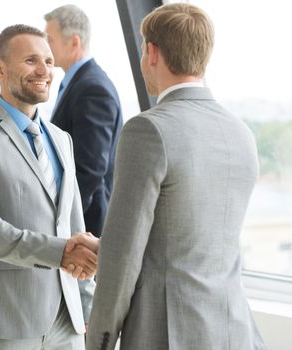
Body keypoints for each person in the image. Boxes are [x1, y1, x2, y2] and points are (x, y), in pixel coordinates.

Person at [86, 3, 267, 350]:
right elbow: (190, 238)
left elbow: (123, 259)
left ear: (151, 53)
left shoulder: (149, 130)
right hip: (236, 333)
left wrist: (100, 342)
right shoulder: (240, 132)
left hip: (167, 334)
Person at [0, 24, 99, 350]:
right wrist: (60, 252)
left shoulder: (61, 139)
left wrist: (86, 302)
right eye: (30, 60)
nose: (45, 70)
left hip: (66, 320)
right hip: (5, 319)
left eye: (48, 60)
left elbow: (73, 224)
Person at [44, 4, 122, 238]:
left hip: (86, 223)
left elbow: (90, 168)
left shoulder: (92, 88)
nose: (44, 47)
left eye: (50, 39)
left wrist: (65, 220)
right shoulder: (77, 82)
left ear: (74, 42)